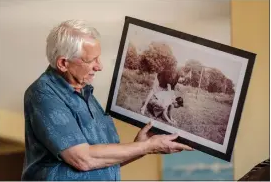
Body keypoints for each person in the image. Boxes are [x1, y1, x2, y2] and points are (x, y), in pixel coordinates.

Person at [21, 19, 194, 181]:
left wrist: (140, 147)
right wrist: (148, 146)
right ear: (63, 63)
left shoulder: (85, 94)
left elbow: (102, 161)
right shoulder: (43, 95)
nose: (100, 66)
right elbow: (83, 159)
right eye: (91, 60)